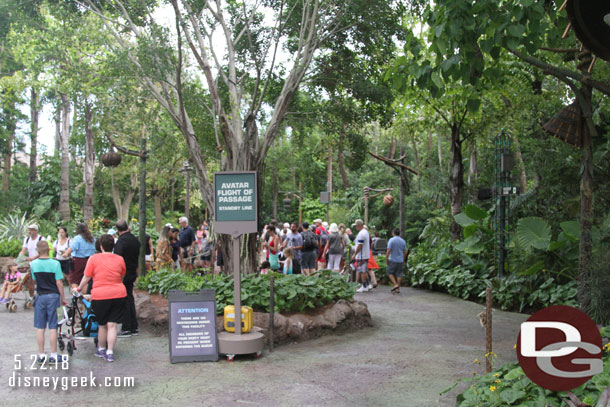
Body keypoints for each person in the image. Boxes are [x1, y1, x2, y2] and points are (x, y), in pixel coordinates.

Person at [76, 234, 126, 363]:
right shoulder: (120, 259)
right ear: (113, 246)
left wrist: (79, 288)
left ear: (101, 246)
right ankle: (110, 352)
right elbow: (121, 276)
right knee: (113, 325)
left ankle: (101, 349)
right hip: (118, 293)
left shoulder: (93, 259)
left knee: (102, 325)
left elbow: (86, 277)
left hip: (100, 295)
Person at [30, 240, 67, 364]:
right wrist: (63, 298)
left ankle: (41, 355)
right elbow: (59, 283)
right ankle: (54, 355)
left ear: (38, 251)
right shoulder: (55, 264)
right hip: (53, 297)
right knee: (53, 325)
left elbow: (34, 280)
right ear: (48, 250)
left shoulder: (33, 264)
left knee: (40, 327)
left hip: (40, 297)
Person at [113, 220, 140, 338]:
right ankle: (133, 326)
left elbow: (117, 259)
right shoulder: (135, 240)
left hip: (124, 274)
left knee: (125, 299)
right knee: (129, 297)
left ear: (118, 230)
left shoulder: (121, 242)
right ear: (128, 227)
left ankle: (127, 326)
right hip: (132, 271)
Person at [63, 223, 96, 293]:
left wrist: (66, 254)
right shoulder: (92, 238)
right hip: (90, 260)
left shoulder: (78, 238)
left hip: (78, 261)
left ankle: (77, 297)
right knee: (86, 280)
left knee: (74, 280)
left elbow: (72, 248)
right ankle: (85, 299)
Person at [351, 219, 371, 293]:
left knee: (362, 271)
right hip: (365, 254)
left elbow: (359, 245)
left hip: (361, 255)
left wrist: (354, 254)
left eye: (356, 226)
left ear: (359, 225)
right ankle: (367, 284)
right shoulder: (365, 232)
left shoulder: (361, 234)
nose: (355, 227)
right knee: (364, 271)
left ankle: (364, 286)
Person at [386, 228, 407, 294]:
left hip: (392, 260)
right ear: (399, 233)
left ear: (393, 233)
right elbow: (405, 252)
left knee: (389, 272)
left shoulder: (391, 240)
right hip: (400, 260)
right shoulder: (403, 241)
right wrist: (404, 259)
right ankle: (398, 289)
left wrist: (386, 258)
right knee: (399, 274)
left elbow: (388, 250)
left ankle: (395, 284)